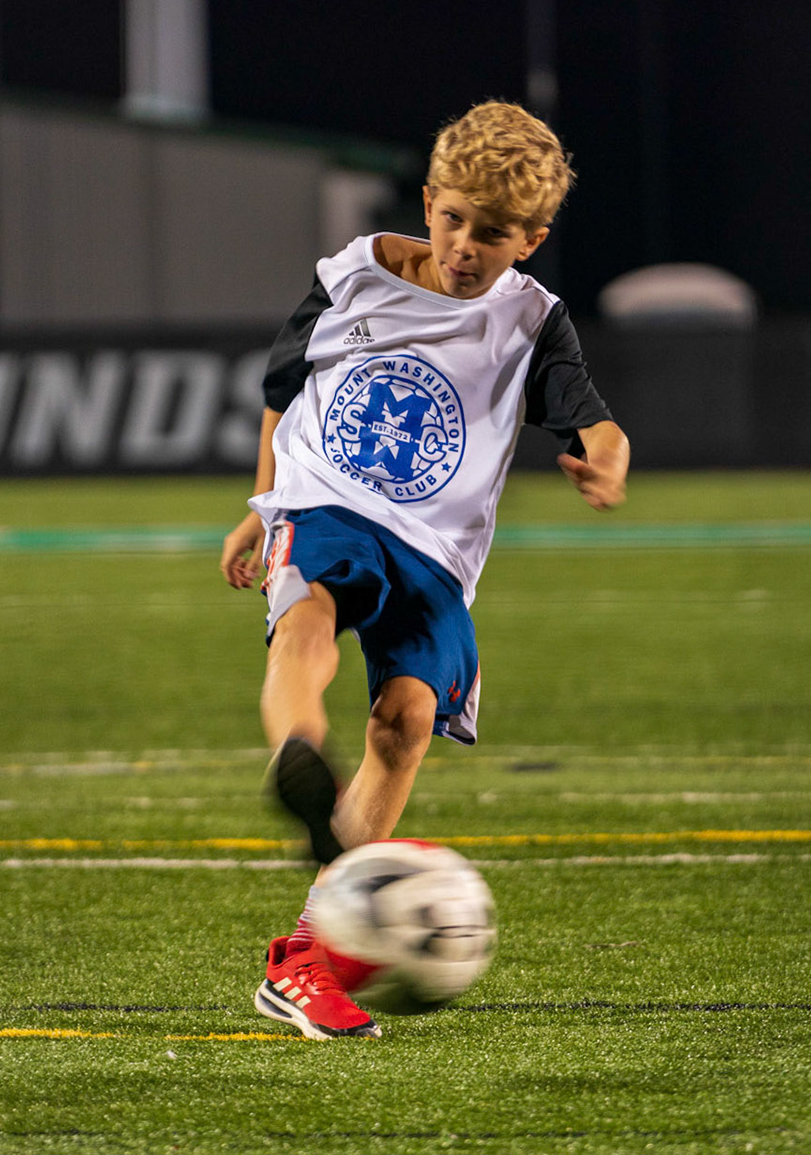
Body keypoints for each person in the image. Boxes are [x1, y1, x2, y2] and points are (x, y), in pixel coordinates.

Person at [218, 102, 629, 1039]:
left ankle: (309, 952)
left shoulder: (531, 322)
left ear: (532, 239)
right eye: (452, 220)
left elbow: (590, 417)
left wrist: (607, 457)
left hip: (436, 550)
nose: (465, 248)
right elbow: (285, 393)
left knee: (404, 723)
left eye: (493, 234)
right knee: (307, 618)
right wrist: (261, 504)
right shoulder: (352, 276)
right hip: (326, 501)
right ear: (431, 200)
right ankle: (298, 758)